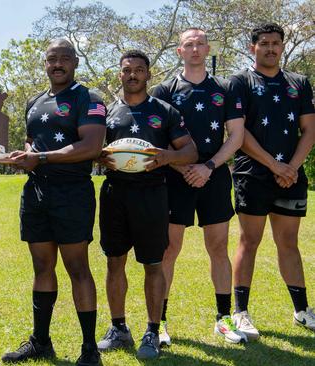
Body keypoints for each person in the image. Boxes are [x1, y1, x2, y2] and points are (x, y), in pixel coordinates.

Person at [1, 39, 106, 366]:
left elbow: (91, 145)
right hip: (36, 193)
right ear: (45, 64)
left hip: (72, 193)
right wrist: (25, 155)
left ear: (74, 62)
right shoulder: (35, 101)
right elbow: (32, 143)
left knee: (77, 268)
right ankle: (40, 341)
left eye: (64, 58)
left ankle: (89, 350)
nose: (57, 64)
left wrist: (40, 157)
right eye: (51, 59)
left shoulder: (89, 99)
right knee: (42, 267)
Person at [96, 50, 197, 360]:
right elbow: (95, 149)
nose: (133, 75)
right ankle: (119, 328)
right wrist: (101, 157)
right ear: (120, 74)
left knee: (153, 264)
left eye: (139, 70)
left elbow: (191, 151)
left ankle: (152, 331)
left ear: (148, 74)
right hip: (115, 194)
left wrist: (167, 157)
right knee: (115, 261)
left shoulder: (165, 111)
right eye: (127, 70)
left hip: (152, 195)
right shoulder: (108, 112)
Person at [149, 28, 246, 345]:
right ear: (179, 51)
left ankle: (224, 319)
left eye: (200, 44)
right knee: (169, 250)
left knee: (218, 248)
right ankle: (159, 324)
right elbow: (157, 139)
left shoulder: (226, 88)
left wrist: (207, 167)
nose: (194, 49)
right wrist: (182, 167)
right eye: (188, 44)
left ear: (208, 49)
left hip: (213, 174)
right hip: (175, 177)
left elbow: (236, 136)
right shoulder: (165, 90)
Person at [229, 22, 315, 339]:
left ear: (282, 46)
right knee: (249, 242)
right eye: (263, 42)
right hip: (253, 174)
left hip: (290, 175)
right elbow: (238, 133)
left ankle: (302, 310)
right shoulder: (239, 81)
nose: (270, 48)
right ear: (253, 47)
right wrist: (274, 166)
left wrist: (291, 166)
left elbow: (309, 130)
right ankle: (241, 313)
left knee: (289, 243)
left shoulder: (299, 82)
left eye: (275, 43)